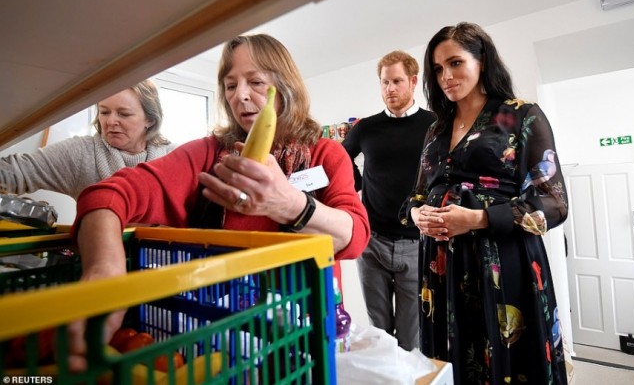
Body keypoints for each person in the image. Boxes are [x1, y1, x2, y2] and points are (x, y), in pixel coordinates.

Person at [68, 33, 370, 369]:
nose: (240, 95)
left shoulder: (325, 154)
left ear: (286, 86)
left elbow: (355, 236)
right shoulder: (207, 154)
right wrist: (106, 267)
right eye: (230, 85)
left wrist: (291, 204)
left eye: (255, 82)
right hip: (219, 346)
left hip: (307, 341)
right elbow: (108, 194)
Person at [404, 22, 570, 384]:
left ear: (482, 61)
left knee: (506, 362)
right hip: (440, 266)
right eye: (438, 69)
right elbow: (417, 194)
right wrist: (417, 214)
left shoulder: (522, 115)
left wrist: (478, 218)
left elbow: (554, 203)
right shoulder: (436, 128)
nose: (446, 76)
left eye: (455, 63)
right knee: (450, 364)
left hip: (500, 260)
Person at [342, 50, 435, 350]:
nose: (390, 88)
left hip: (416, 244)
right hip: (372, 242)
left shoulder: (434, 124)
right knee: (378, 333)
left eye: (397, 81)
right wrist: (356, 186)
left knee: (411, 337)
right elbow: (340, 159)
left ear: (413, 81)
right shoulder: (366, 127)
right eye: (384, 82)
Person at [0, 80, 174, 199]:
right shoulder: (81, 153)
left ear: (150, 119)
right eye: (104, 112)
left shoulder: (173, 156)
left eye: (124, 114)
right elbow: (13, 172)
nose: (110, 121)